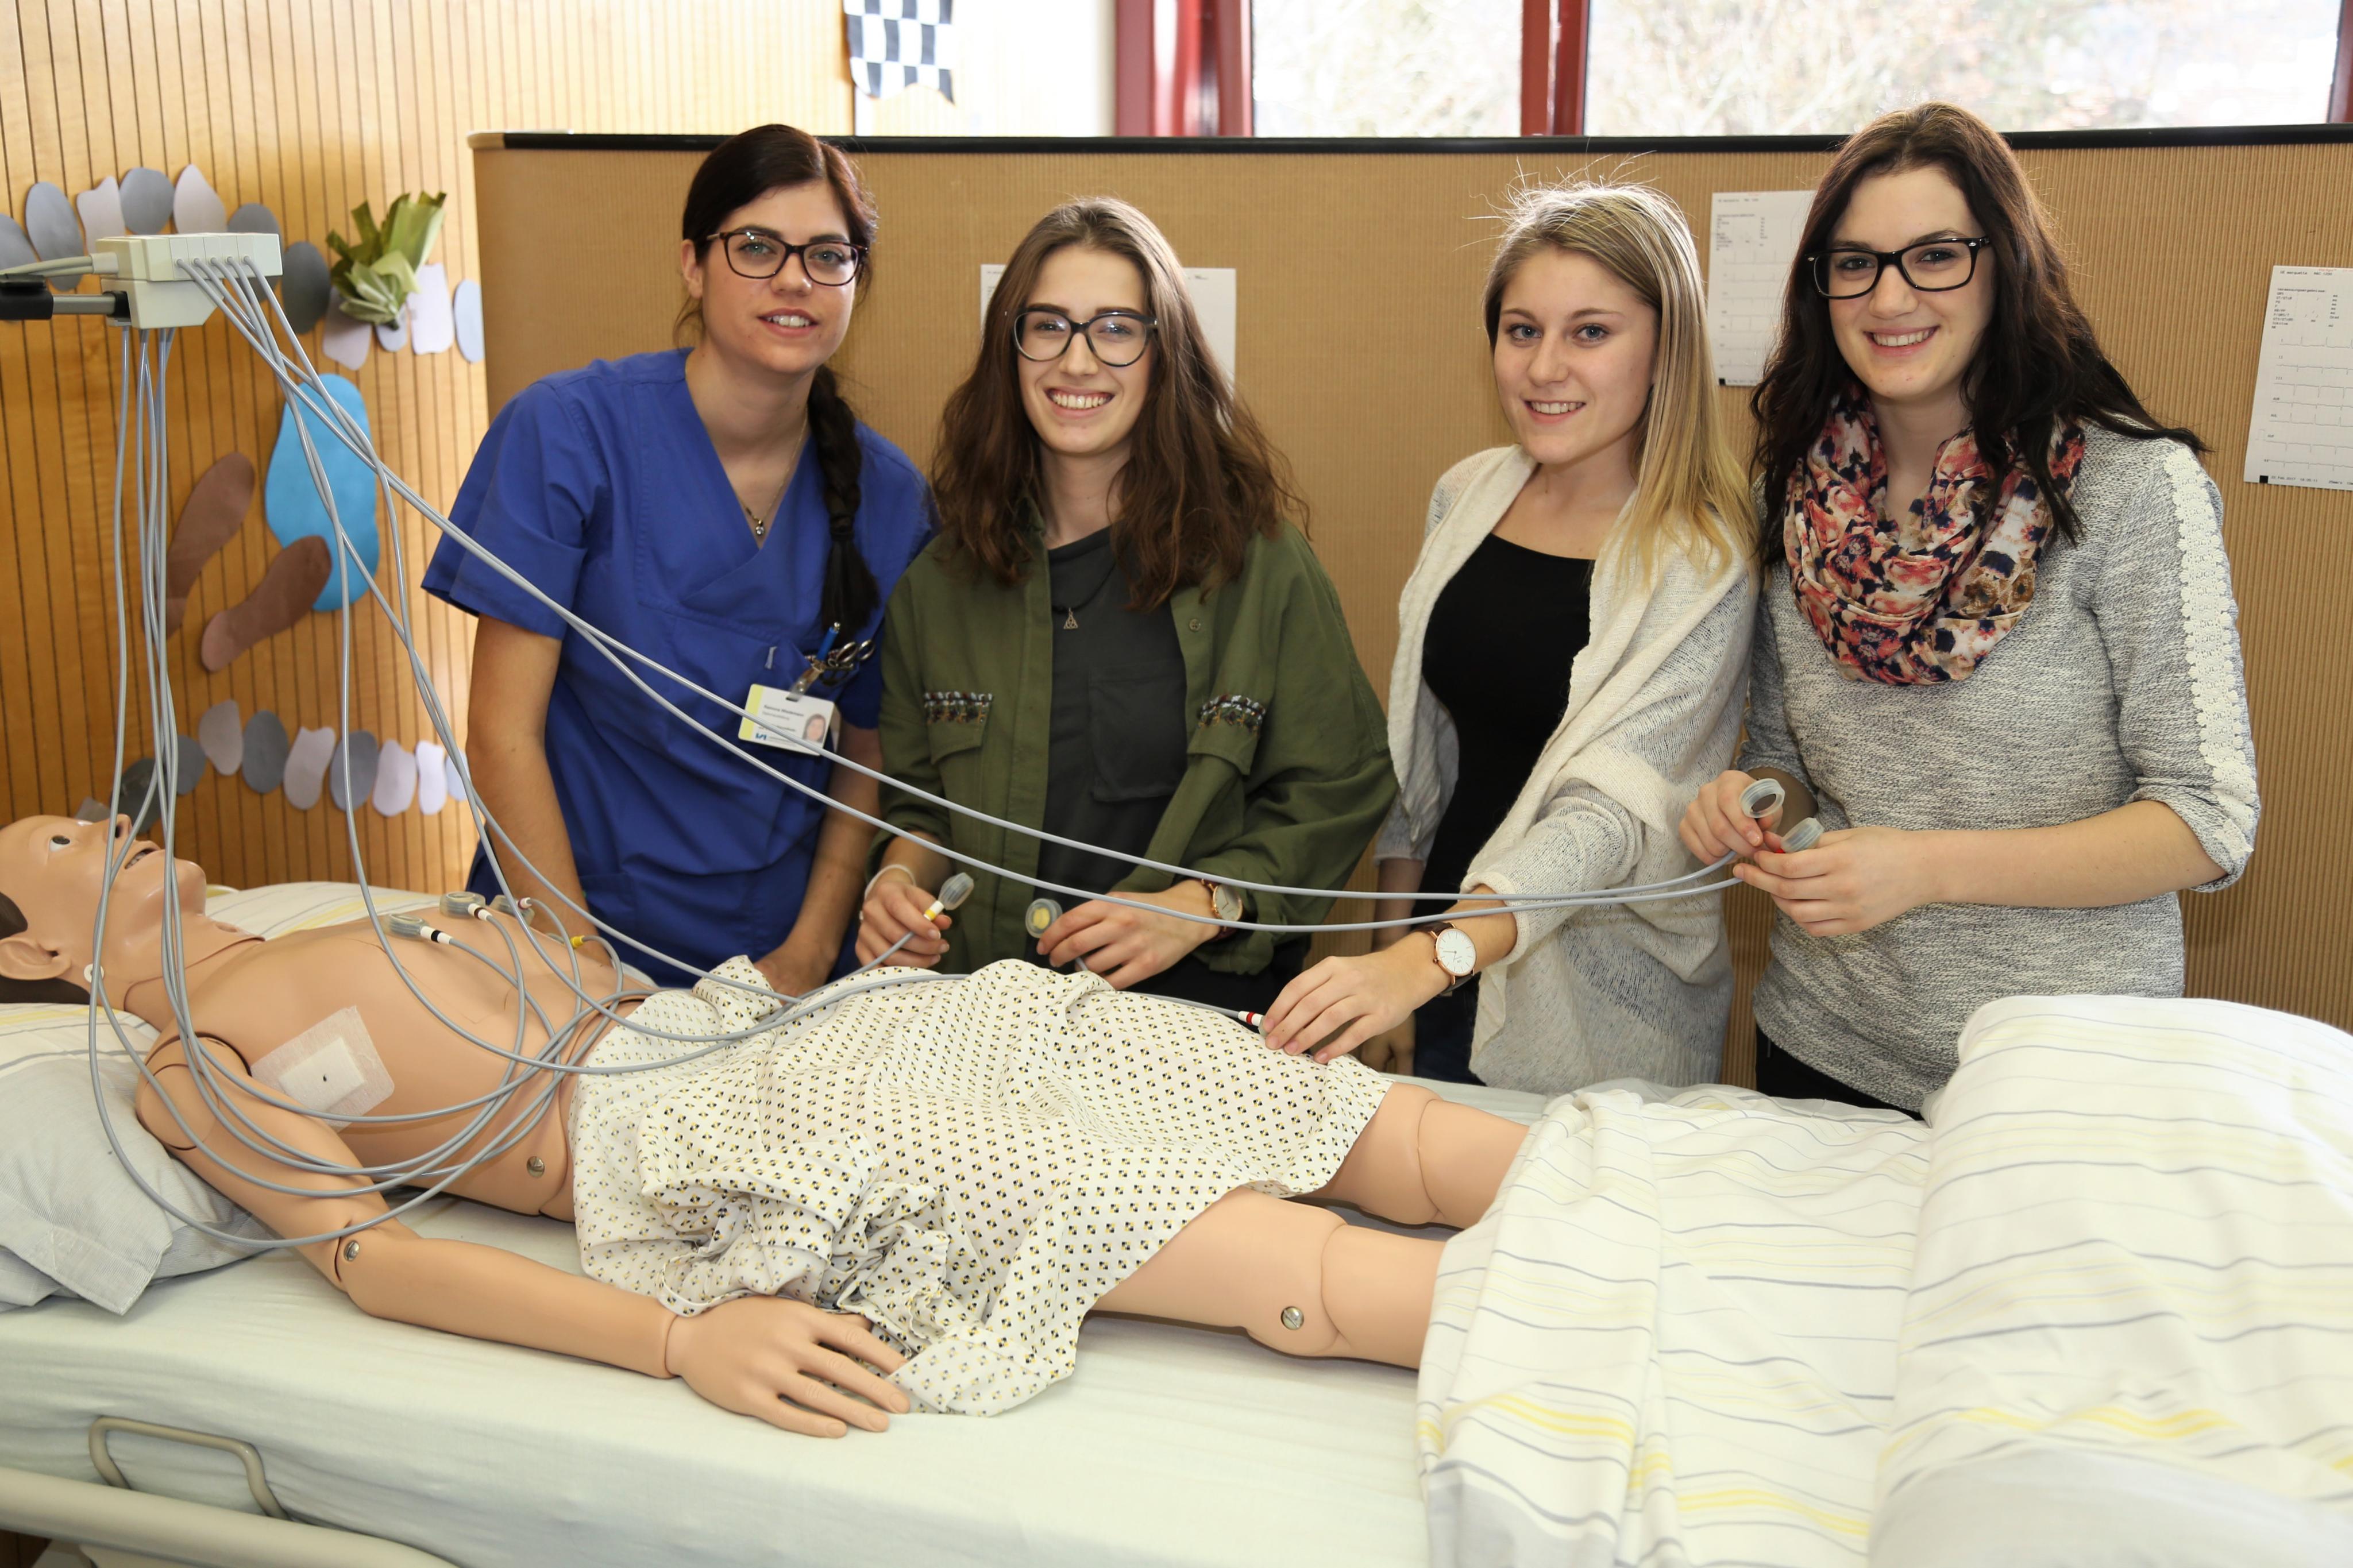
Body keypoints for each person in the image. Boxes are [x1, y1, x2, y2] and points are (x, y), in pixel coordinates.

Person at [0, 812, 1529, 1434]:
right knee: (1079, 1183)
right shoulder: (192, 1061)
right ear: (37, 951)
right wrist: (677, 1343)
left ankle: (1603, 1183)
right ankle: (1570, 1325)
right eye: (63, 836)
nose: (111, 820)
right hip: (680, 1139)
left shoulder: (319, 913)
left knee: (1164, 1055)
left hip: (754, 1028)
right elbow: (372, 1262)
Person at [1679, 103, 2259, 1113]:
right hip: (1825, 1046)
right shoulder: (1794, 498)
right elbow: (1782, 761)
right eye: (1854, 263)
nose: (1889, 296)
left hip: (2058, 1072)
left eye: (1936, 255)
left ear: (2007, 268)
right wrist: (1753, 804)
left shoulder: (2132, 489)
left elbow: (2208, 821)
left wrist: (1928, 867)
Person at [1260, 183, 1756, 1094]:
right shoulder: (1468, 495)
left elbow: (1610, 817)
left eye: (1590, 332)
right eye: (1522, 330)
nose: (1544, 368)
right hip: (1437, 959)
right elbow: (1424, 759)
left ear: (1668, 350)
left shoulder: (1705, 557)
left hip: (1594, 1008)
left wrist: (1430, 955)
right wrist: (1399, 951)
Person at [421, 125, 934, 991]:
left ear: (857, 282)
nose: (795, 280)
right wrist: (582, 966)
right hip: (566, 936)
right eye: (757, 247)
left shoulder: (890, 500)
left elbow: (867, 760)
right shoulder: (568, 435)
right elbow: (502, 734)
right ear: (693, 265)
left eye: (828, 256)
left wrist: (805, 958)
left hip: (777, 963)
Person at [858, 199, 1394, 1016]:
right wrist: (898, 882)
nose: (1077, 361)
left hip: (1194, 1027)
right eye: (1048, 327)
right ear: (1009, 350)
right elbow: (922, 807)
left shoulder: (1258, 566)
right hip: (986, 1024)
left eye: (1115, 329)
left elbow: (1338, 791)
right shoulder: (939, 585)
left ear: (1165, 353)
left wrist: (1201, 906)